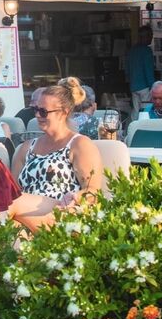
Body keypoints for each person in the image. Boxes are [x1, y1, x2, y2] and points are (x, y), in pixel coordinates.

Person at [9, 78, 104, 233]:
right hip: (26, 213)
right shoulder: (26, 148)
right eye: (36, 110)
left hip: (61, 211)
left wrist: (77, 197)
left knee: (8, 203)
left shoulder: (80, 144)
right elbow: (12, 189)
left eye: (44, 111)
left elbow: (93, 191)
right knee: (12, 223)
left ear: (64, 112)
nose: (38, 115)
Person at [126, 26, 155, 116]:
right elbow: (148, 70)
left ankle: (134, 129)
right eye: (150, 36)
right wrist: (153, 87)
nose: (151, 38)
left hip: (133, 86)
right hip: (145, 86)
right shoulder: (146, 51)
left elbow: (127, 70)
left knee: (136, 111)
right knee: (146, 111)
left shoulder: (132, 50)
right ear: (144, 37)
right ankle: (145, 129)